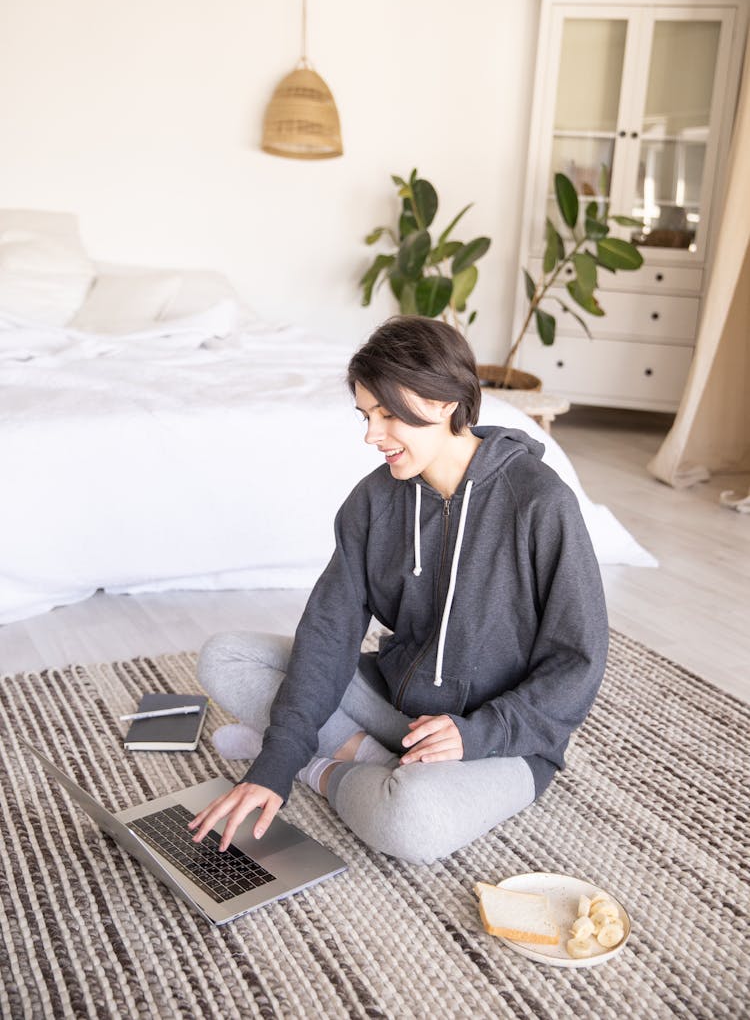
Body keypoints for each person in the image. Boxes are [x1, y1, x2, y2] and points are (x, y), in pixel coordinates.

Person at [189, 316, 608, 866]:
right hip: (396, 704)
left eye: (387, 415)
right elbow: (329, 631)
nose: (371, 435)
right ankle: (346, 751)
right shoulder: (373, 502)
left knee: (414, 822)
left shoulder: (539, 503)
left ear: (442, 402)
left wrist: (479, 734)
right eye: (366, 415)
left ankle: (329, 765)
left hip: (498, 737)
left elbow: (578, 660)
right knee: (228, 656)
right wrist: (272, 769)